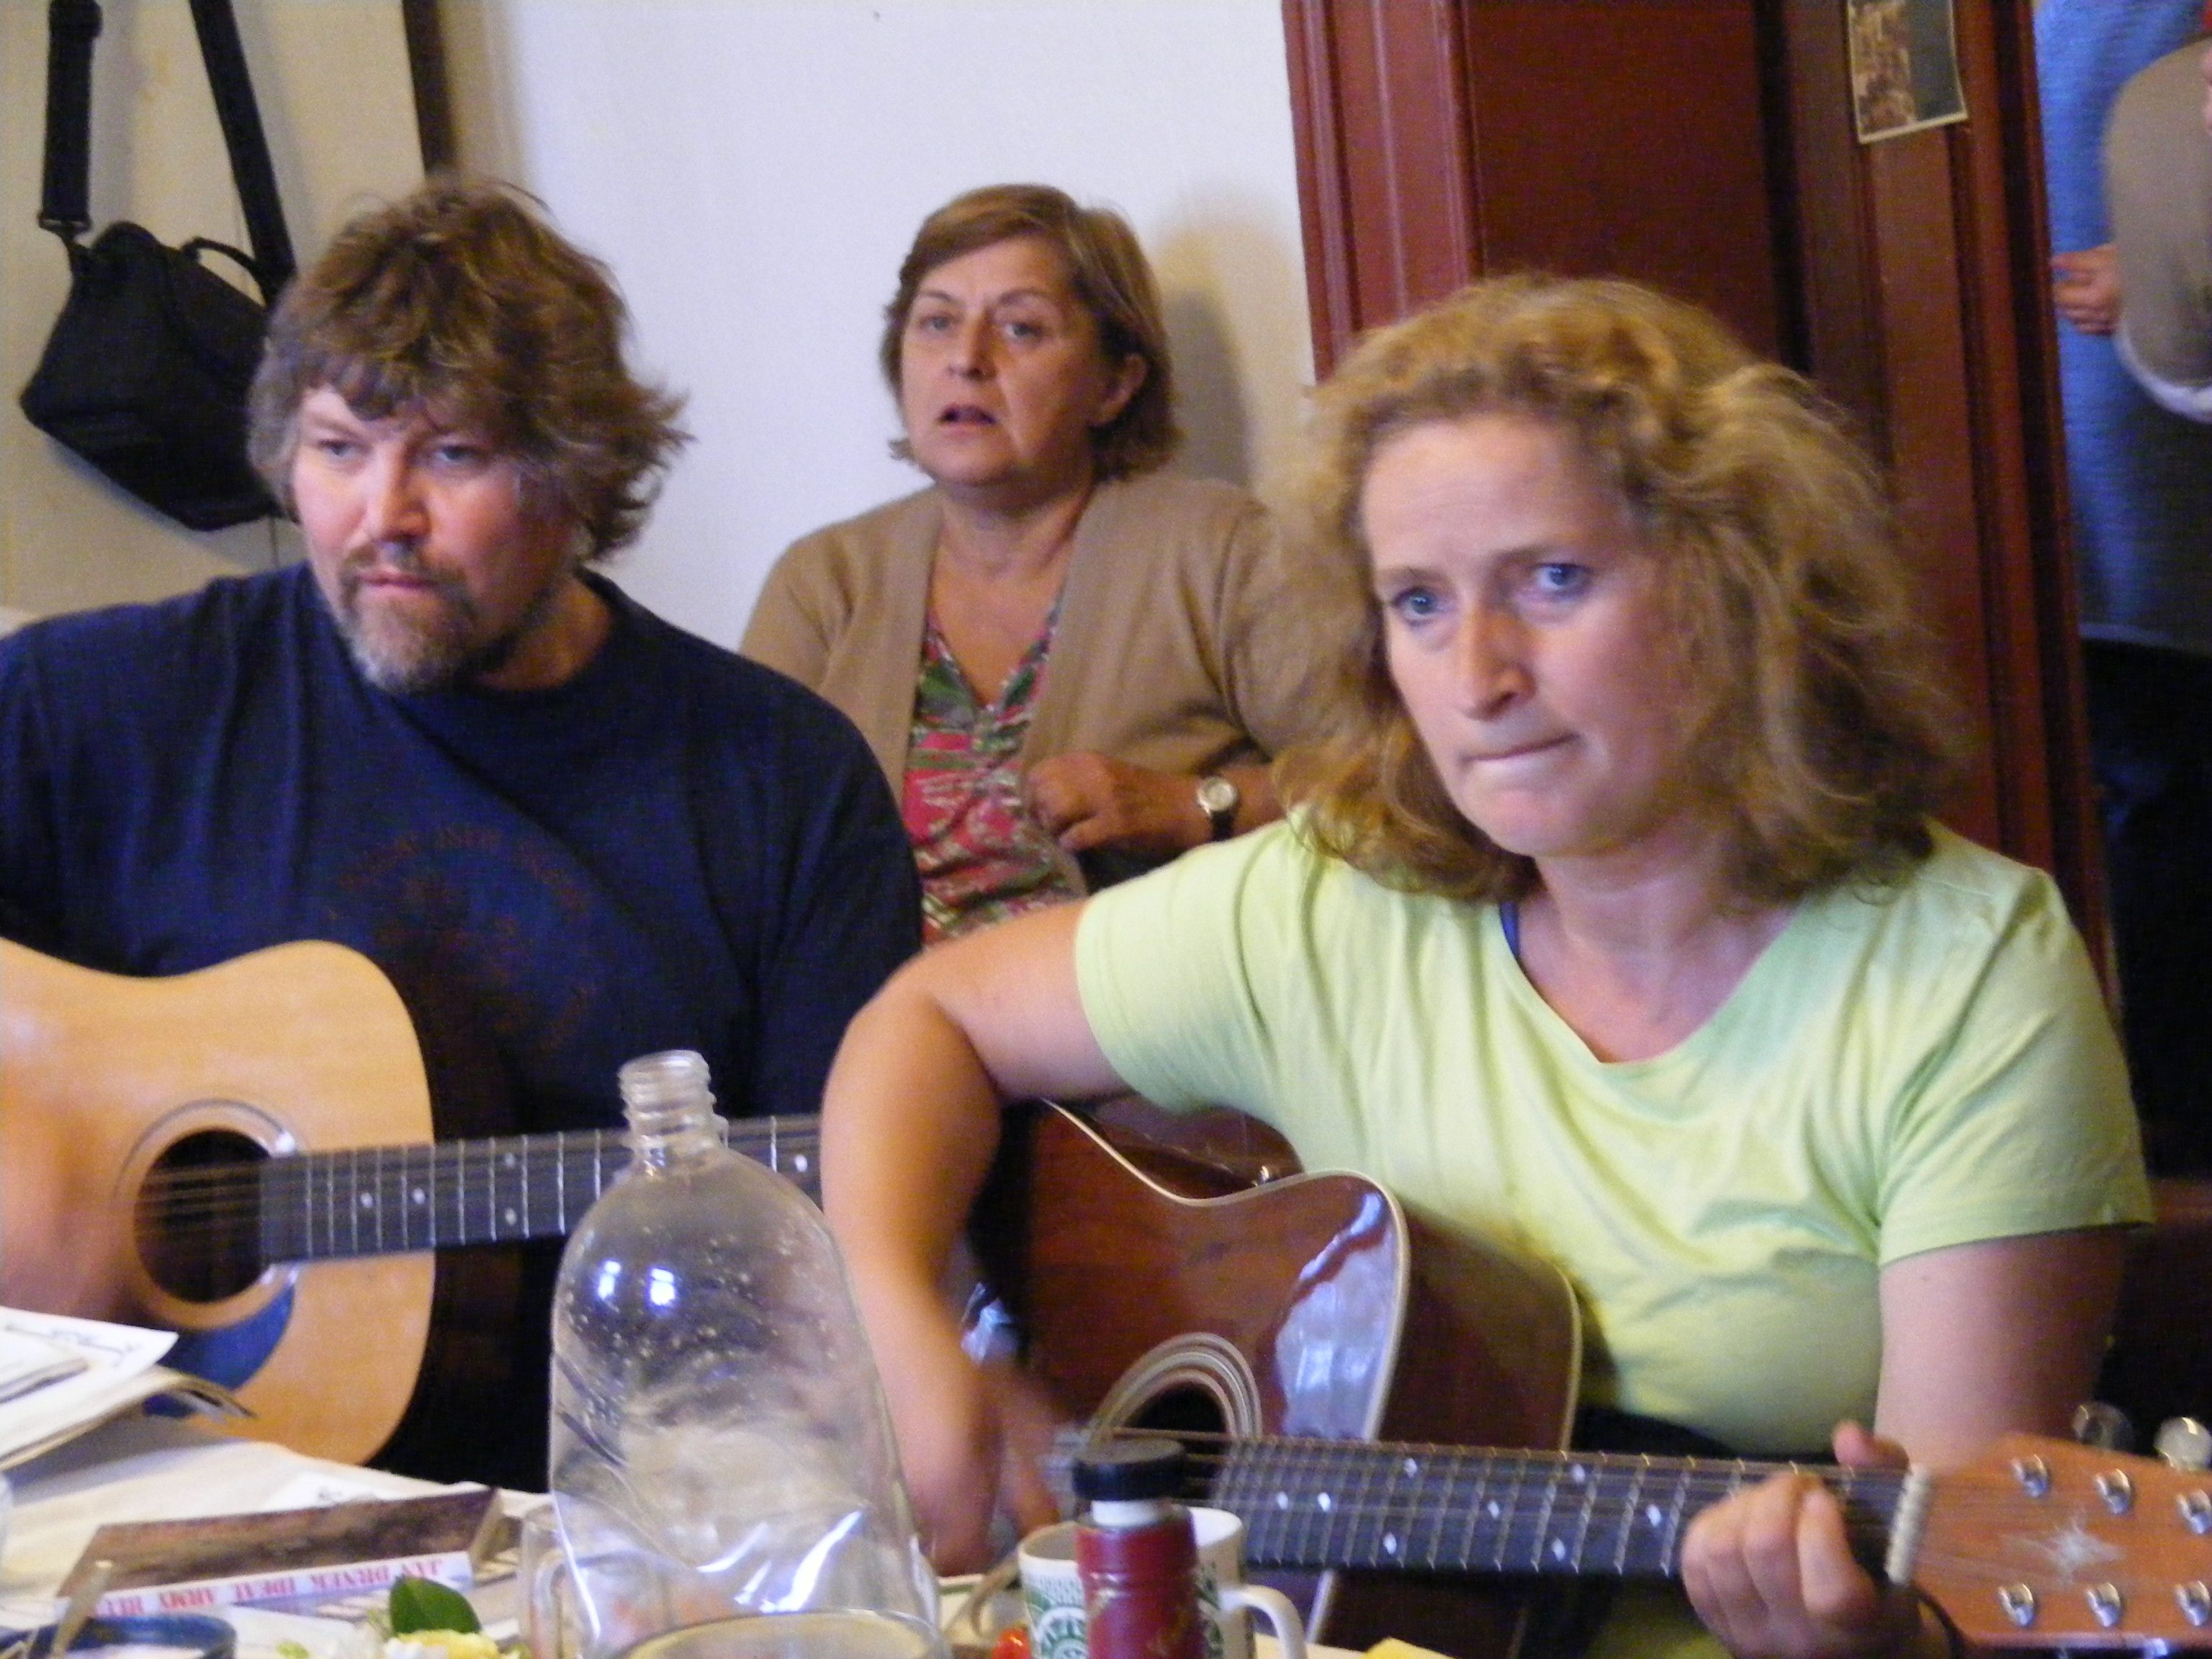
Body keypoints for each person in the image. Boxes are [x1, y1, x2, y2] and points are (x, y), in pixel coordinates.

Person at [815, 276, 2151, 1658]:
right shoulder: (1334, 900)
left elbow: (1969, 1597)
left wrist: (1872, 1635)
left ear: (1735, 586)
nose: (1477, 675)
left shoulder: (1965, 971)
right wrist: (912, 1327)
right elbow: (929, 1018)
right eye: (1417, 601)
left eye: (1551, 579)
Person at [0, 176, 920, 1488]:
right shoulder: (119, 706)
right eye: (337, 448)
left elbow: (853, 1233)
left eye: (451, 455)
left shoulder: (779, 781)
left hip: (620, 1503)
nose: (382, 516)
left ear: (577, 474)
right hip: (138, 1499)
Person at [742, 184, 1331, 944]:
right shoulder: (826, 581)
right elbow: (736, 845)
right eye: (937, 322)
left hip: (1140, 1008)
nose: (966, 360)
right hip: (879, 1010)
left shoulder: (1216, 549)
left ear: (1114, 384)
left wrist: (1196, 807)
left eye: (1020, 328)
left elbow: (1391, 778)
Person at [2042, 12, 2212, 1174]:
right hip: (2068, 448)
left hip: (2154, 440)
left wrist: (2158, 254)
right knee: (2144, 781)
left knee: (2164, 782)